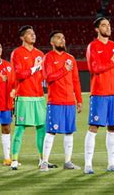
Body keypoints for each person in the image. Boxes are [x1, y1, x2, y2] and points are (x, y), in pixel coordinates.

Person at [84, 17, 114, 174]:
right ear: (97, 29)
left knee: (113, 127)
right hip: (99, 93)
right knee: (94, 127)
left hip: (113, 95)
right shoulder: (93, 46)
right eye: (104, 25)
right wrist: (111, 62)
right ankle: (88, 164)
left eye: (109, 25)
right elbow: (94, 68)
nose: (108, 27)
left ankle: (112, 163)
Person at [40, 31, 82, 171]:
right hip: (55, 101)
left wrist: (79, 99)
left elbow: (76, 80)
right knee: (51, 131)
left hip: (70, 101)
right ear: (52, 42)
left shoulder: (70, 58)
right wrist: (64, 69)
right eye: (58, 38)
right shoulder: (48, 58)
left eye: (63, 38)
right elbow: (48, 77)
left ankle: (68, 161)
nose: (62, 40)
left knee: (69, 132)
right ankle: (44, 161)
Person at [10, 25, 49, 170]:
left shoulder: (40, 53)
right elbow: (19, 74)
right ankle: (14, 160)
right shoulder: (17, 53)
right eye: (29, 34)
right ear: (22, 37)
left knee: (41, 128)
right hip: (24, 96)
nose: (33, 36)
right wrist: (34, 68)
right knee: (20, 128)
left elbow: (44, 75)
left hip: (38, 96)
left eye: (34, 33)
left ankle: (42, 160)